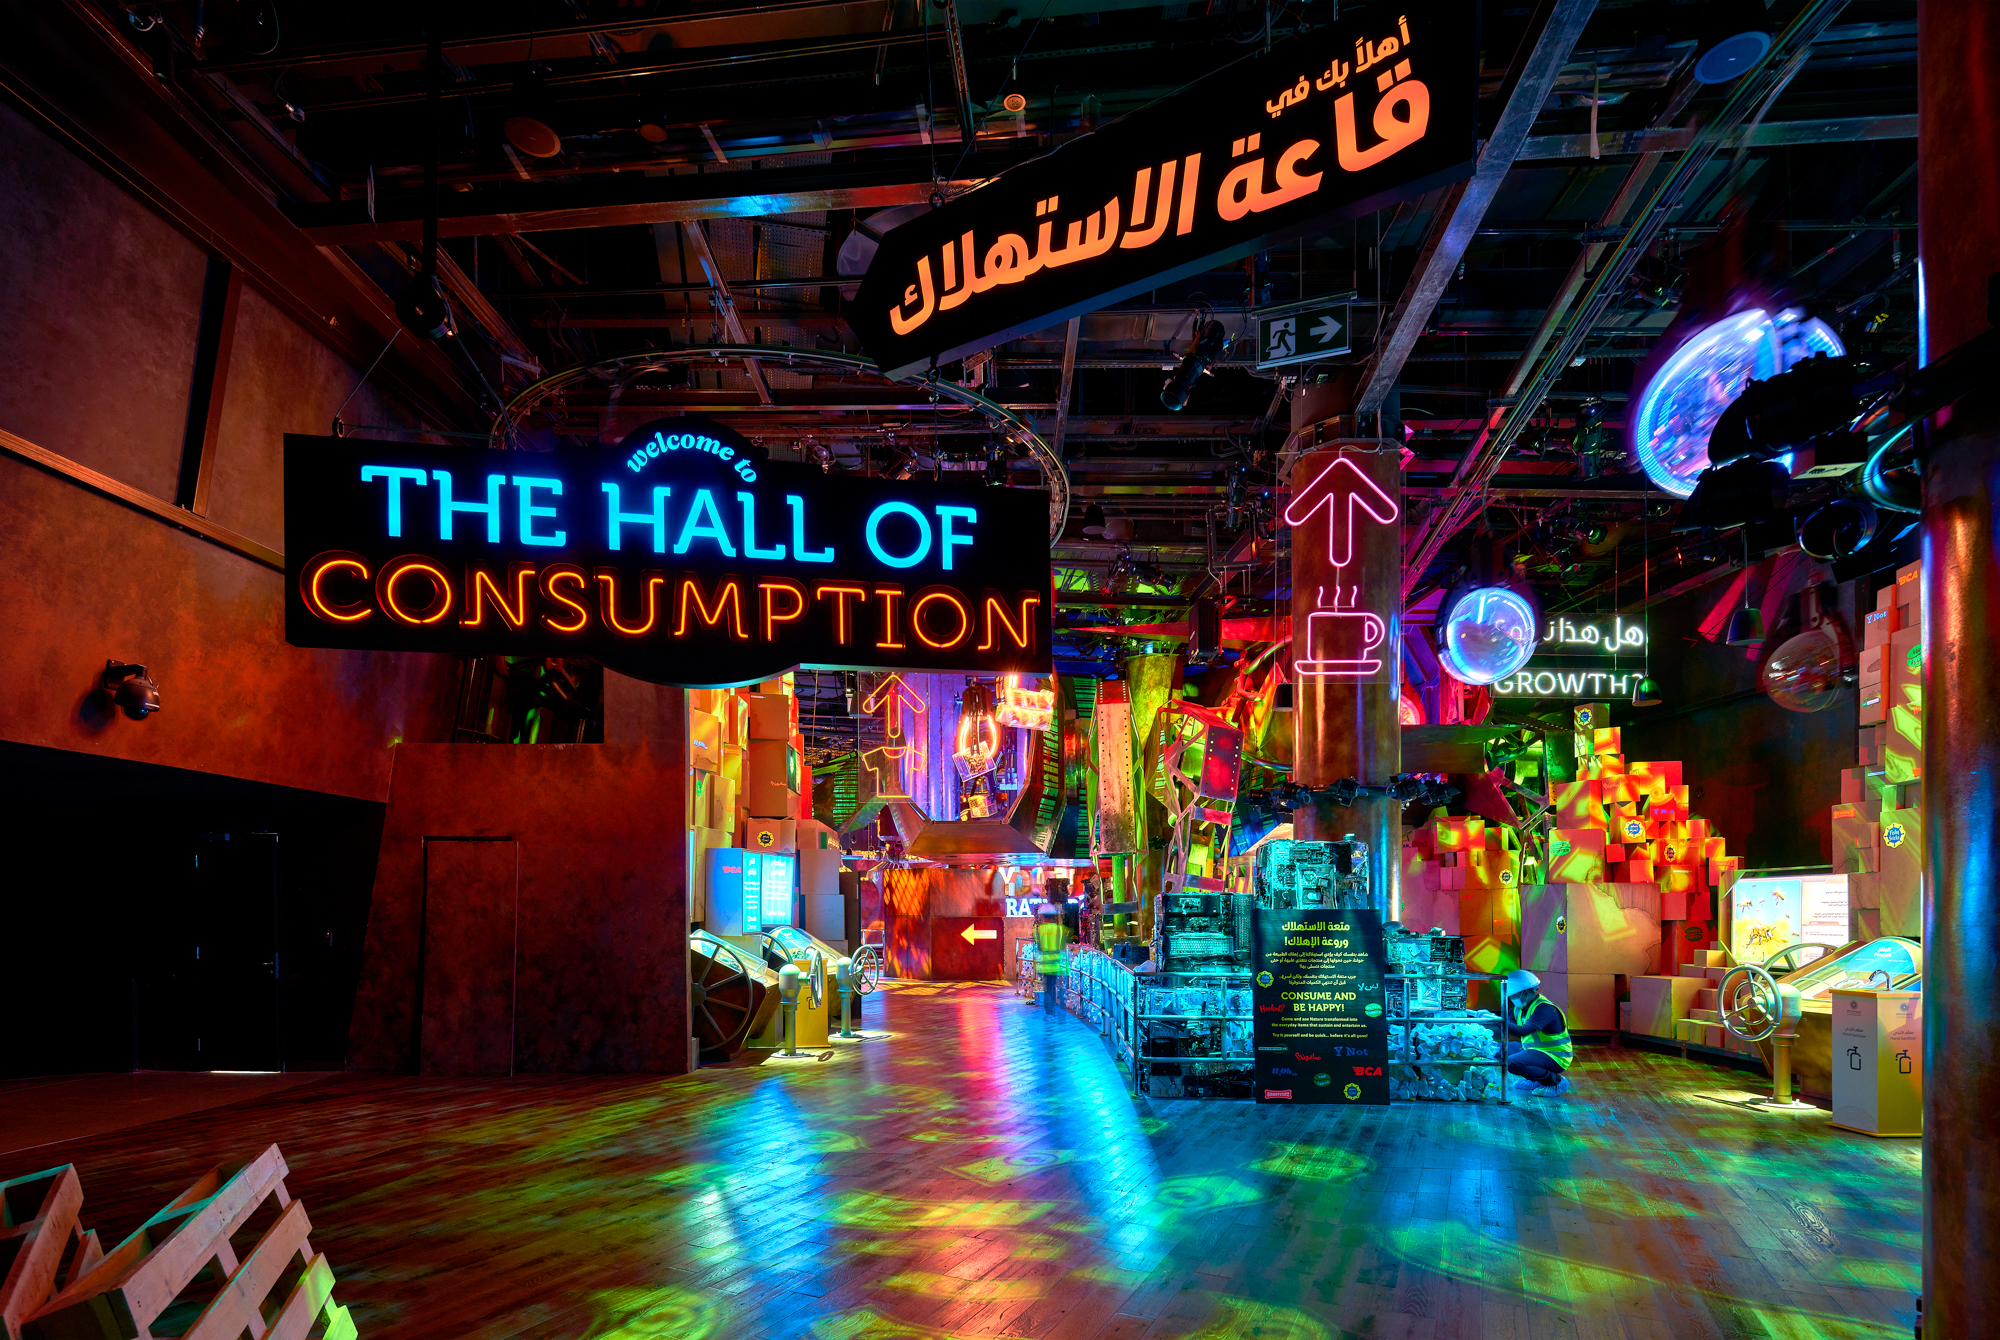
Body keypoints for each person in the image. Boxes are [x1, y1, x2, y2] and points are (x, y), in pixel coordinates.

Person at [1502, 968, 1574, 1095]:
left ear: (1527, 991)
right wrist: (1491, 1018)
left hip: (1555, 1056)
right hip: (1535, 1051)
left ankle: (1555, 1081)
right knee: (1501, 1050)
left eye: (1516, 994)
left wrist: (1498, 1020)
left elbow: (1524, 1030)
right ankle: (1536, 1079)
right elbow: (1508, 1025)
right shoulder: (1518, 1009)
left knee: (1512, 1063)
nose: (1513, 998)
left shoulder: (1545, 1009)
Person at [1034, 904, 1068, 1017]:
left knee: (1048, 987)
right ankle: (1054, 1007)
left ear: (1042, 916)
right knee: (1053, 985)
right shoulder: (1059, 929)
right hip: (1056, 963)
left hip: (1045, 963)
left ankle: (1049, 1010)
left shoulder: (1039, 929)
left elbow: (1039, 947)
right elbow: (1062, 946)